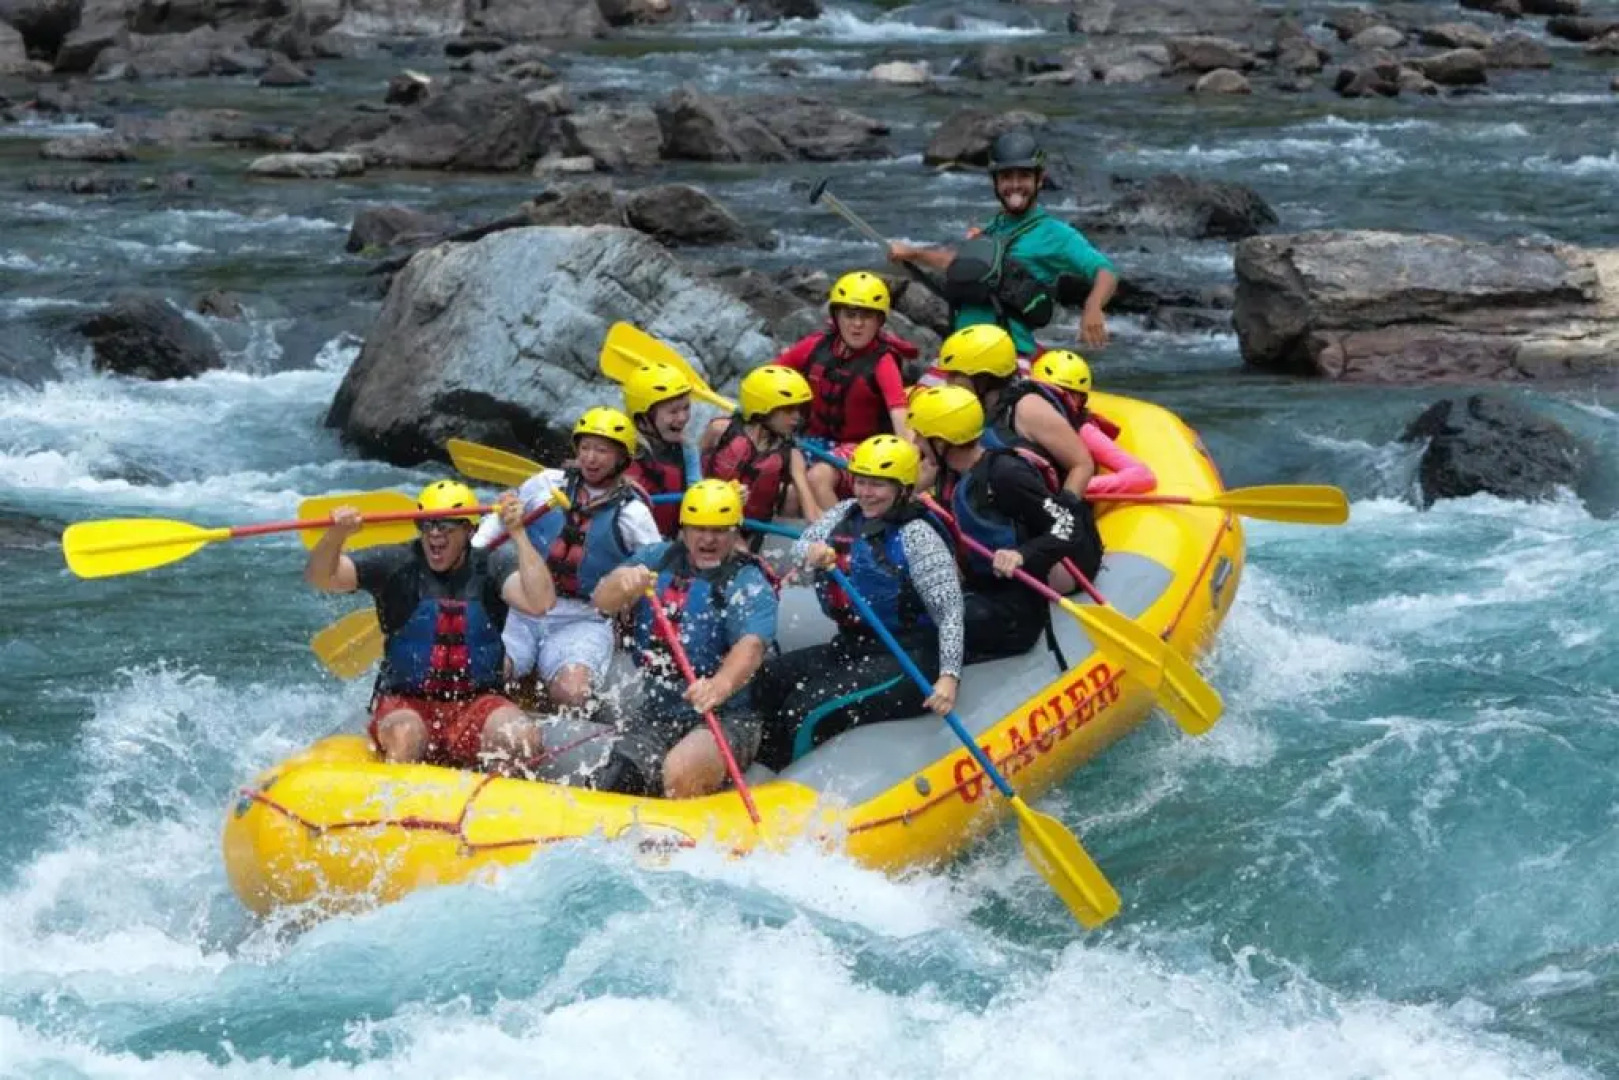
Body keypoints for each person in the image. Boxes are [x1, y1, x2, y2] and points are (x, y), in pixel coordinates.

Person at [304, 480, 554, 772]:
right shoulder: (396, 562)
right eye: (427, 525)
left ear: (470, 530)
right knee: (406, 737)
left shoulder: (491, 565)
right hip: (407, 704)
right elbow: (321, 578)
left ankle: (493, 803)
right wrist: (336, 535)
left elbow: (541, 603)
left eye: (446, 526)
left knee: (522, 738)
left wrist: (519, 534)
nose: (435, 534)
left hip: (476, 703)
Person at [754, 435, 964, 769]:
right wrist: (811, 553)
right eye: (861, 482)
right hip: (853, 645)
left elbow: (950, 611)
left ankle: (776, 780)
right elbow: (801, 546)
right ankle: (749, 766)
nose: (865, 493)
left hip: (905, 658)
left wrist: (949, 677)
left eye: (877, 485)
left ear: (902, 488)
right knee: (766, 679)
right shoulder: (843, 512)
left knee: (805, 706)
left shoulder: (918, 535)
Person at [590, 480, 779, 798]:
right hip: (658, 711)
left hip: (727, 716)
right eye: (698, 529)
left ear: (735, 532)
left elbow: (751, 647)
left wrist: (717, 687)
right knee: (613, 780)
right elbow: (602, 601)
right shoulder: (657, 557)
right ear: (684, 529)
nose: (707, 539)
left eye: (719, 531)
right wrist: (621, 583)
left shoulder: (748, 580)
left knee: (681, 773)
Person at [471, 407, 662, 713]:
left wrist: (634, 601)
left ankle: (557, 708)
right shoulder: (546, 484)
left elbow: (657, 562)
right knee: (489, 671)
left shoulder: (632, 514)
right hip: (523, 605)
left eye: (601, 450)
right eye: (585, 448)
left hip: (583, 617)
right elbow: (502, 516)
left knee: (573, 694)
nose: (590, 458)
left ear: (622, 458)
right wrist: (475, 550)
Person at [908, 385, 1103, 659]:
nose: (915, 443)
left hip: (1015, 608)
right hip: (982, 588)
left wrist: (1022, 555)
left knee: (934, 632)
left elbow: (1068, 525)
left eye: (920, 436)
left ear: (941, 443)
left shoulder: (1006, 475)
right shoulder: (949, 473)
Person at [888, 130, 1118, 355]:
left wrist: (1093, 307)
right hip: (962, 347)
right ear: (996, 182)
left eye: (1024, 177)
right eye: (1007, 177)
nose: (1015, 185)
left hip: (1008, 356)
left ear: (1039, 181)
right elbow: (956, 262)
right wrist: (912, 254)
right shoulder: (991, 229)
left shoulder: (1055, 234)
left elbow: (1106, 271)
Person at [772, 271, 918, 510]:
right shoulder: (815, 346)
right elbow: (769, 378)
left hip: (863, 448)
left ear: (880, 321)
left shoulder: (882, 362)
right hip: (812, 441)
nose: (857, 324)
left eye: (867, 317)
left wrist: (909, 468)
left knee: (818, 477)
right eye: (850, 315)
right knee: (783, 491)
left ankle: (842, 538)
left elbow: (900, 415)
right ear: (836, 316)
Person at [934, 324, 1096, 497]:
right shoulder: (969, 410)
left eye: (955, 375)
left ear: (983, 378)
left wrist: (1063, 514)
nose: (947, 382)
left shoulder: (1028, 408)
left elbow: (1082, 465)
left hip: (1036, 510)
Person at [699, 364, 820, 539]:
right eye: (788, 410)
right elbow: (694, 474)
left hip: (753, 531)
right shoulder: (720, 430)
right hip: (706, 519)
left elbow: (812, 514)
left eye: (799, 410)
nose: (797, 417)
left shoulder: (792, 456)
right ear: (763, 408)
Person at [1026, 349, 1156, 499]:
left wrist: (1074, 486)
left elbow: (1142, 475)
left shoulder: (1083, 431)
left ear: (1081, 400)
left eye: (1069, 394)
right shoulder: (1017, 415)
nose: (1057, 400)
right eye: (1050, 392)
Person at [621, 361, 702, 537]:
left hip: (667, 540)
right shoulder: (622, 454)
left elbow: (696, 493)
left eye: (686, 407)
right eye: (673, 412)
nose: (683, 418)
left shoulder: (686, 448)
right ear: (642, 419)